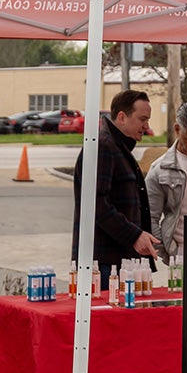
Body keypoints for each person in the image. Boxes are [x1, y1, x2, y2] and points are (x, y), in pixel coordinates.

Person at [72, 90, 160, 290]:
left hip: (119, 262)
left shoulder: (118, 148)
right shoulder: (103, 147)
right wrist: (134, 235)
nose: (146, 126)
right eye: (142, 119)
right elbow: (95, 203)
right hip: (103, 266)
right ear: (122, 117)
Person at [145, 102, 187, 265]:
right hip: (180, 252)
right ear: (177, 129)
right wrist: (168, 252)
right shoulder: (159, 170)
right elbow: (149, 218)